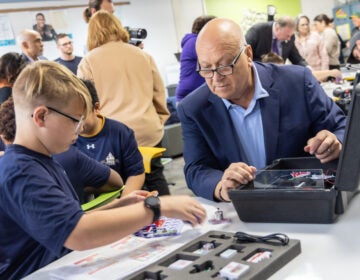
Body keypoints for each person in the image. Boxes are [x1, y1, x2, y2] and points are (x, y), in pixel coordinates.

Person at [0, 61, 206, 280]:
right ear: (41, 117)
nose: (79, 131)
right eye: (75, 121)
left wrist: (117, 206)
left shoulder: (44, 160)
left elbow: (65, 221)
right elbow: (78, 234)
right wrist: (156, 207)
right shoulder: (20, 172)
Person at [176, 18, 347, 202]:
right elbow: (196, 168)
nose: (216, 78)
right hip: (243, 210)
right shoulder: (193, 108)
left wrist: (335, 141)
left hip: (305, 199)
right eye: (206, 68)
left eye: (225, 66)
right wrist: (221, 186)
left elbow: (342, 127)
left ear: (248, 54)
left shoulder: (297, 82)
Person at [77, 11, 170, 196]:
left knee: (117, 188)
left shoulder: (88, 62)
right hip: (148, 130)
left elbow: (85, 104)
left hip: (112, 137)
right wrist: (158, 121)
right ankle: (171, 220)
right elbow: (159, 94)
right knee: (155, 179)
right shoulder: (143, 55)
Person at [75, 80, 145, 196]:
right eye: (70, 118)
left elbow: (136, 173)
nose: (76, 124)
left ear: (96, 108)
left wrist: (124, 201)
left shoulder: (120, 133)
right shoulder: (66, 139)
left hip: (120, 195)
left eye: (80, 117)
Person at [175, 15, 216, 103]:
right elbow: (217, 57)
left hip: (191, 93)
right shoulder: (196, 42)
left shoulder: (192, 41)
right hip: (189, 96)